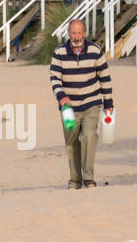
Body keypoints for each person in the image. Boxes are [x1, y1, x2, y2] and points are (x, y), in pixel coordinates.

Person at [49, 18, 114, 189]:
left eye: (79, 33)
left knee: (88, 137)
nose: (76, 37)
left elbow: (104, 77)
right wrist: (61, 96)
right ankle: (75, 181)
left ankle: (89, 178)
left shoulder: (95, 50)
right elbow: (55, 79)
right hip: (68, 108)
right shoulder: (59, 53)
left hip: (91, 103)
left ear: (84, 33)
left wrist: (108, 102)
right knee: (71, 143)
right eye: (73, 33)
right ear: (68, 33)